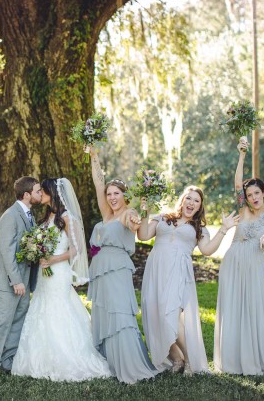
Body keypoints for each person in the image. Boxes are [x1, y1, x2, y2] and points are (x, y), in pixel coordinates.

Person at [11, 178, 111, 381]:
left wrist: (53, 258)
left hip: (58, 271)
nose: (40, 194)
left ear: (52, 193)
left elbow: (77, 248)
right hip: (44, 273)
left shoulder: (67, 218)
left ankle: (67, 357)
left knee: (59, 309)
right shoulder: (48, 215)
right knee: (42, 308)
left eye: (43, 191)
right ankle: (40, 359)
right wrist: (37, 252)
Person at [139, 186, 239, 375]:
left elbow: (207, 250)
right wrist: (145, 212)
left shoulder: (198, 228)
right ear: (182, 200)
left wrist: (224, 229)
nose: (191, 203)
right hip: (156, 270)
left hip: (178, 273)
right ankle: (176, 359)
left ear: (200, 206)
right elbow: (143, 235)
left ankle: (190, 360)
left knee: (172, 316)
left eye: (196, 200)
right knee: (154, 314)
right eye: (189, 198)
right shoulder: (162, 217)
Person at [86, 148, 157, 384]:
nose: (112, 197)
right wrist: (94, 155)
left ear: (124, 195)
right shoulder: (107, 213)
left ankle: (128, 364)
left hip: (117, 268)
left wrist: (137, 220)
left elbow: (134, 225)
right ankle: (109, 361)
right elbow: (98, 183)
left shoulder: (129, 212)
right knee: (105, 312)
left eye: (116, 193)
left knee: (119, 313)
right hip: (100, 270)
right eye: (110, 194)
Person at [213, 138, 264, 375]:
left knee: (251, 307)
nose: (253, 197)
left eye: (256, 193)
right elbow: (236, 184)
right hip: (232, 262)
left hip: (253, 263)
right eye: (249, 194)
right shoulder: (242, 209)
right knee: (233, 307)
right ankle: (231, 359)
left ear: (263, 193)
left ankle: (253, 358)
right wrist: (241, 155)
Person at [0, 176, 42, 380]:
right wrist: (16, 280)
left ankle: (7, 361)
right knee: (3, 321)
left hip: (24, 279)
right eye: (38, 191)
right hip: (8, 281)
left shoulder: (29, 215)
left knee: (18, 321)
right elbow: (7, 251)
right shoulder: (10, 215)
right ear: (27, 195)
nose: (40, 194)